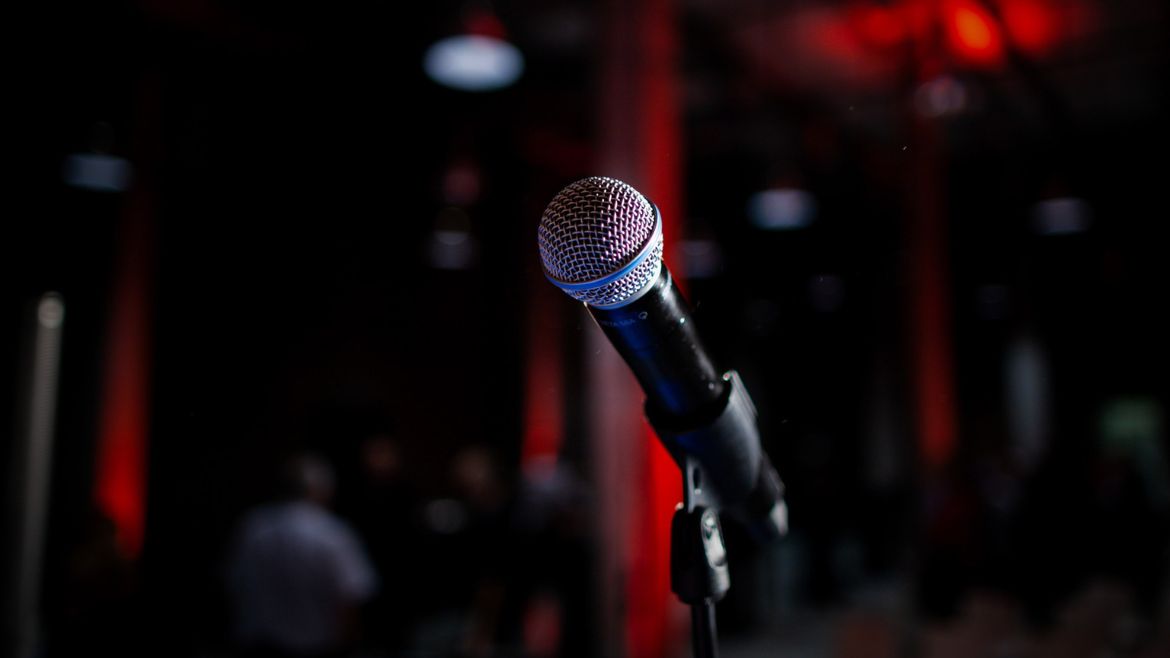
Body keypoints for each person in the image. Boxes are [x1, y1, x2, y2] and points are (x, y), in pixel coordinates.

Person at [226, 452, 378, 658]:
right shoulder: (332, 532)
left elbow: (232, 585)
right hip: (317, 646)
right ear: (320, 490)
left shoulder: (252, 527)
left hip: (259, 645)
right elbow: (349, 597)